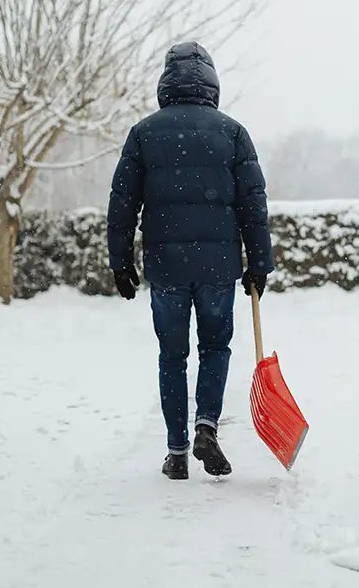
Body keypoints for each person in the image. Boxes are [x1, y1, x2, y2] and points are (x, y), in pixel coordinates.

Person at [106, 41, 274, 480]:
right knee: (215, 347)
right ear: (213, 83)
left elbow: (122, 204)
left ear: (165, 82)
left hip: (167, 267)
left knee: (172, 356)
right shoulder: (233, 132)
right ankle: (206, 426)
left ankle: (177, 452)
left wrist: (120, 262)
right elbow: (253, 205)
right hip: (218, 266)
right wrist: (259, 263)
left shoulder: (144, 133)